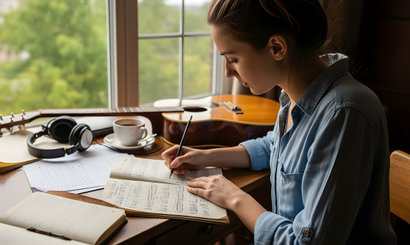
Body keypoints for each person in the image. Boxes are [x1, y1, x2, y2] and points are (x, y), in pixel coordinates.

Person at [161, 0, 397, 244]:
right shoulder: (295, 96)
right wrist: (207, 157)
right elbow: (275, 146)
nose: (228, 73)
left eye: (233, 59)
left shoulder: (344, 113)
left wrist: (234, 198)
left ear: (276, 47)